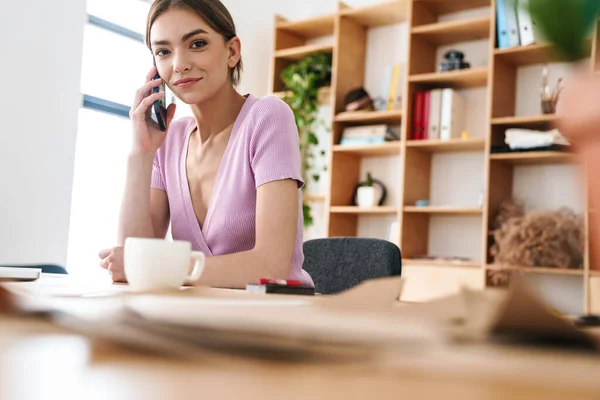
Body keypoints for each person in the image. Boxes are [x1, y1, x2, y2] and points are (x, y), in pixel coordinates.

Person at [98, 0, 314, 289]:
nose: (179, 64)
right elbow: (133, 262)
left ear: (232, 52)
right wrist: (141, 153)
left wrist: (156, 266)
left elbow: (271, 266)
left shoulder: (268, 117)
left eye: (197, 44)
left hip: (270, 320)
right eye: (163, 51)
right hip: (198, 319)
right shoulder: (170, 140)